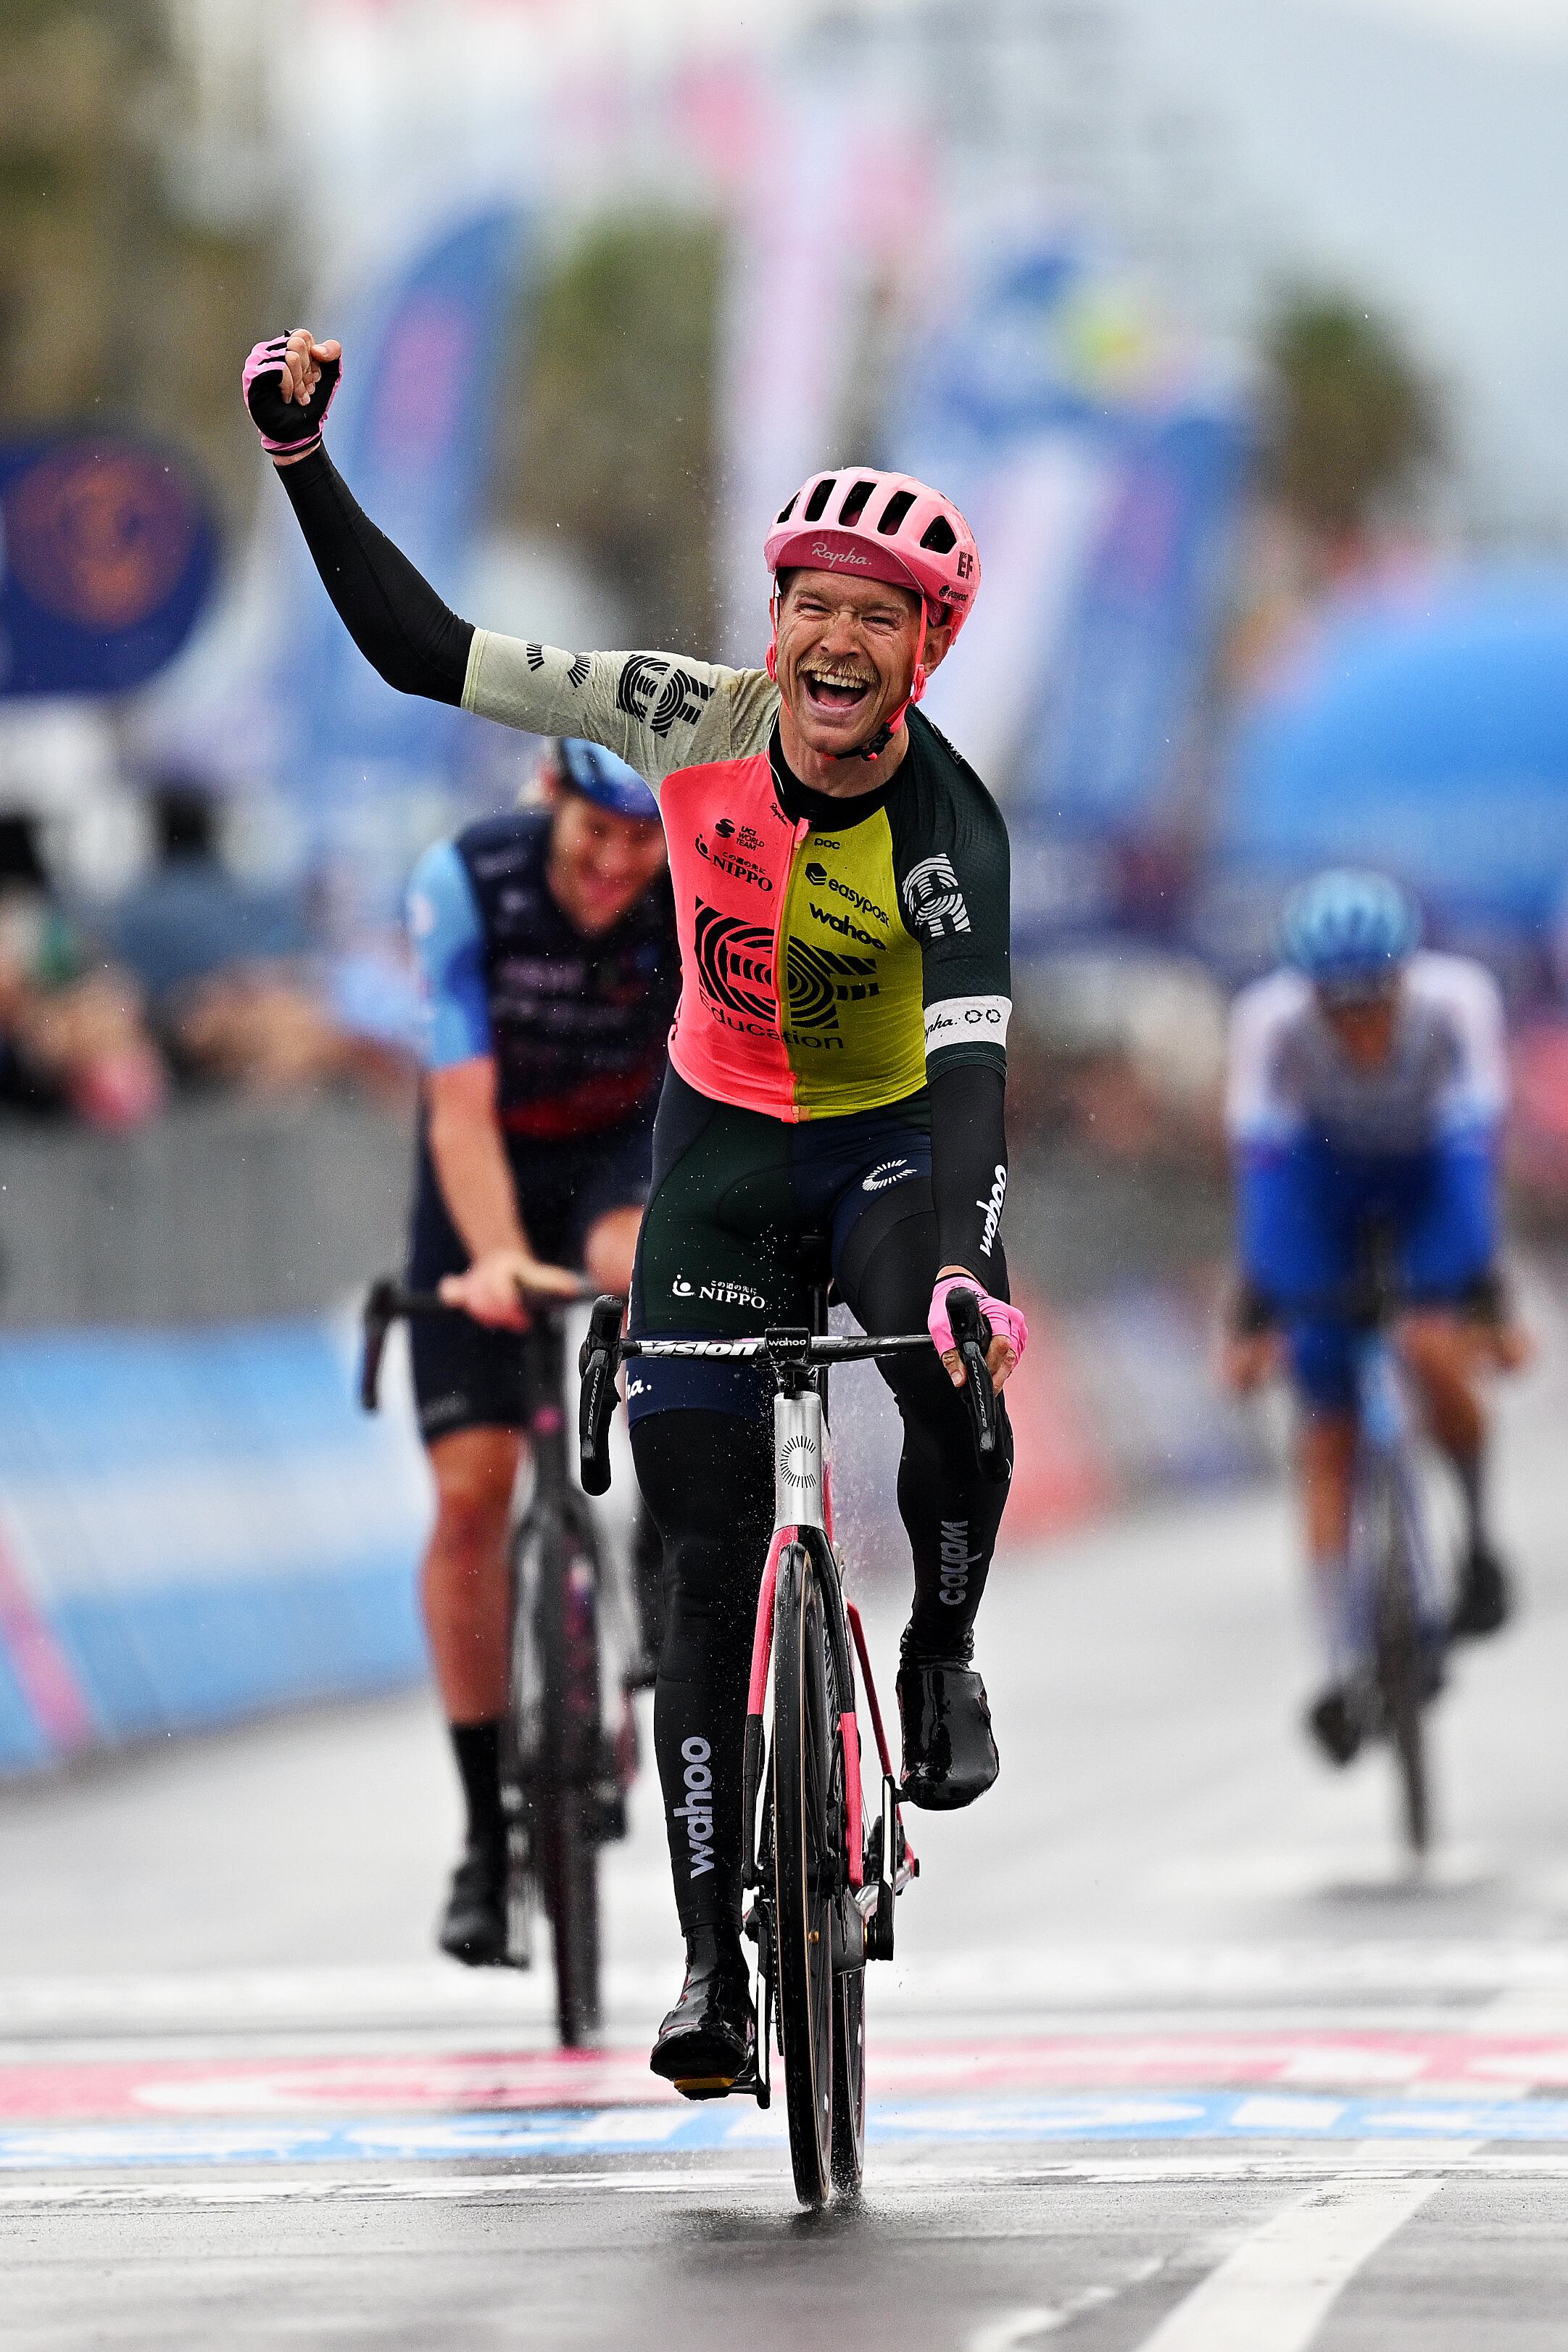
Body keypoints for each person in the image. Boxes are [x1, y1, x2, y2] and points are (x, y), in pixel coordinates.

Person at [243, 328, 1026, 2094]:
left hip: (900, 1146)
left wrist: (968, 1269)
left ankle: (946, 1648)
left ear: (926, 649)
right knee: (694, 1552)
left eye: (879, 616)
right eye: (813, 602)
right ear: (775, 623)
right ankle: (705, 1967)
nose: (837, 640)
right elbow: (423, 652)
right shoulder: (684, 718)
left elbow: (977, 1081)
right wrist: (302, 465)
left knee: (950, 1363)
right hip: (726, 1147)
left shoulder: (951, 832)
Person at [405, 734, 677, 1964]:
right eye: (594, 836)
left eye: (642, 840)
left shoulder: (689, 886)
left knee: (637, 1270)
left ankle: (664, 1552)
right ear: (549, 803)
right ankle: (481, 1834)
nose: (618, 864)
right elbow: (456, 1107)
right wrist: (499, 1255)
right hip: (485, 1165)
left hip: (624, 1152)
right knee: (470, 1490)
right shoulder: (468, 878)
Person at [1222, 869, 1528, 1765]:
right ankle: (1338, 1667)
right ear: (1308, 994)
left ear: (1406, 978)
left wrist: (1479, 1288)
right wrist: (1257, 1307)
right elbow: (1265, 1176)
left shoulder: (1457, 1001)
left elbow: (1475, 1161)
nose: (1359, 1026)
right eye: (1338, 1006)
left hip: (1429, 1177)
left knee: (1433, 1347)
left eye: (1375, 1002)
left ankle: (1475, 1541)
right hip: (1320, 1187)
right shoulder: (1270, 1022)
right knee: (1324, 1432)